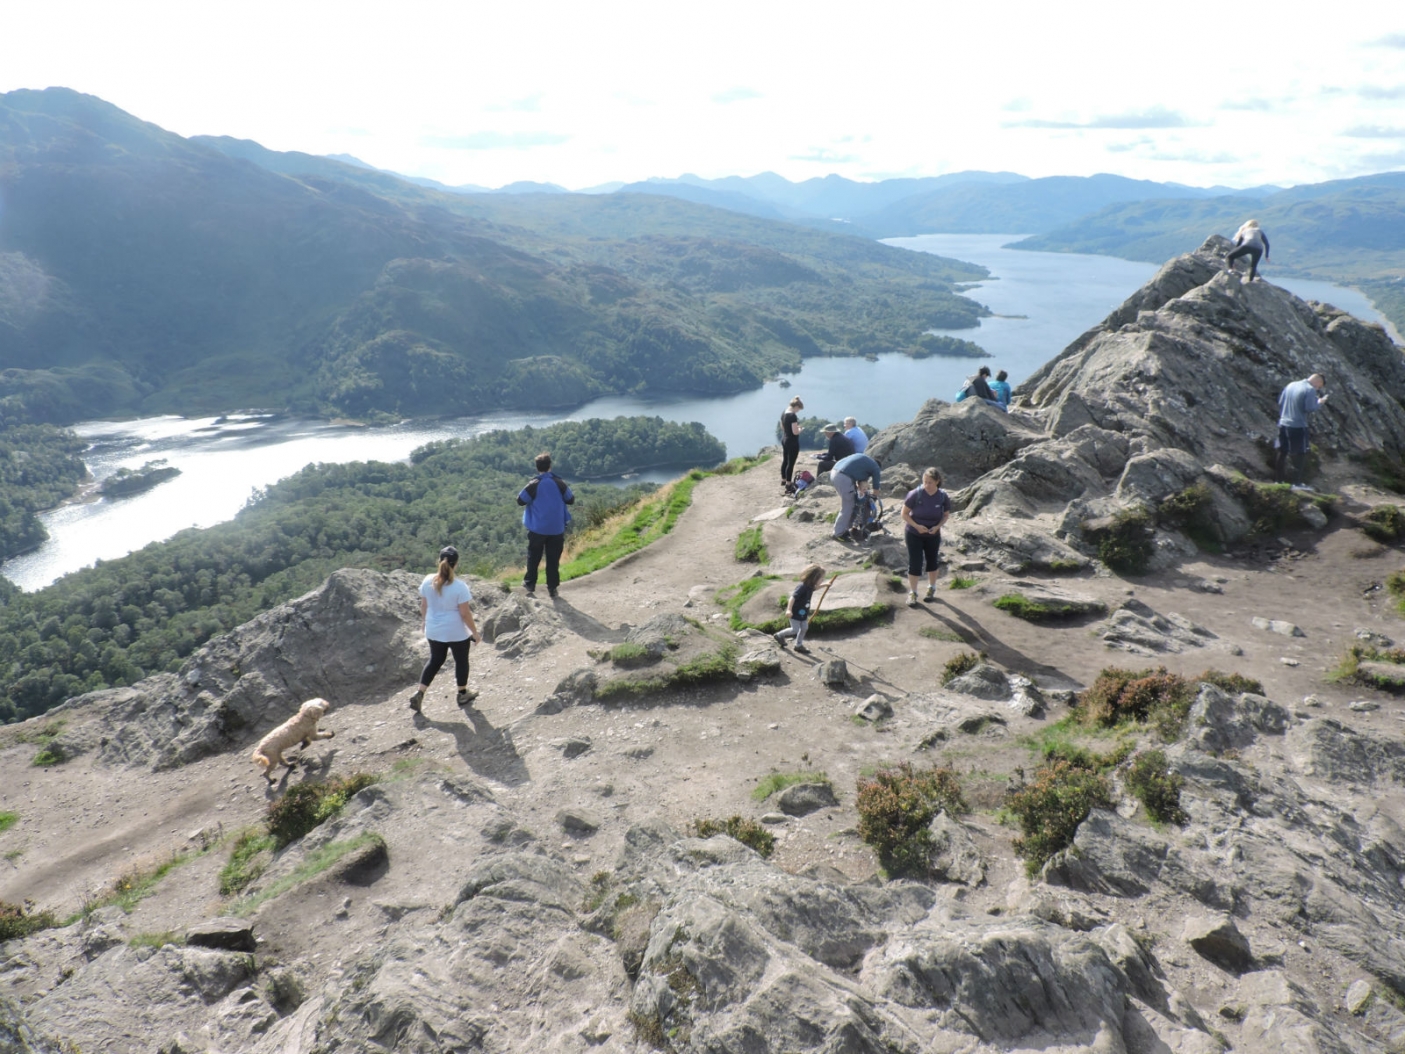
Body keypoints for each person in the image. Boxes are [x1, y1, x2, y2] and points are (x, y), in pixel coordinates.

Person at [409, 546, 482, 712]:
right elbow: (465, 614)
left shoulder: (427, 580)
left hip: (434, 629)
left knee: (435, 660)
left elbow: (424, 605)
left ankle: (420, 693)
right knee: (461, 660)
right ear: (456, 564)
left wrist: (424, 622)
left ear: (439, 561)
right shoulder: (459, 586)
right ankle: (462, 694)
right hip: (456, 631)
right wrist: (475, 633)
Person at [517, 451, 574, 598]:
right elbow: (570, 499)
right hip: (556, 528)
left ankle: (530, 583)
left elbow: (520, 500)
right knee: (553, 559)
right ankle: (552, 588)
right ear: (550, 466)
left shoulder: (534, 484)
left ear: (537, 467)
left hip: (537, 528)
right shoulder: (559, 483)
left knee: (534, 556)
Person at [901, 467, 952, 605]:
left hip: (933, 534)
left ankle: (931, 588)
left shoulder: (942, 496)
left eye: (930, 482)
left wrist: (937, 527)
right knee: (915, 563)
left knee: (932, 561)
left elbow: (946, 515)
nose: (926, 485)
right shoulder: (915, 494)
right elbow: (904, 514)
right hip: (914, 533)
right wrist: (917, 526)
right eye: (925, 482)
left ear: (937, 481)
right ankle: (913, 593)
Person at [1275, 373, 1328, 490]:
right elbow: (1309, 408)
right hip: (1298, 425)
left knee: (1282, 451)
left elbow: (1280, 402)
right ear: (1318, 382)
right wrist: (1319, 403)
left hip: (1283, 423)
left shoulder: (1291, 384)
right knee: (1300, 453)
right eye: (1319, 387)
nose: (1318, 389)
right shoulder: (1310, 389)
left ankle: (1278, 480)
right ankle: (1296, 483)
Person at [774, 563, 825, 655]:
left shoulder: (810, 587)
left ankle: (798, 645)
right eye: (821, 579)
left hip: (803, 614)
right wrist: (789, 610)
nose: (822, 580)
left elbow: (815, 588)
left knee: (804, 628)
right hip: (795, 613)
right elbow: (792, 598)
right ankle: (779, 635)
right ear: (814, 578)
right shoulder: (802, 587)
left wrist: (825, 585)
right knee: (795, 629)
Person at [831, 451, 882, 540]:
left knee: (851, 502)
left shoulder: (863, 461)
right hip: (843, 477)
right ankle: (838, 533)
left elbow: (861, 483)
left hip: (834, 472)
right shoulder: (875, 467)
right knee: (848, 506)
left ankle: (847, 528)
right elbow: (876, 488)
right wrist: (873, 499)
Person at [779, 396, 804, 487]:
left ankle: (783, 479)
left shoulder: (784, 412)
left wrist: (792, 429)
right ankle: (788, 483)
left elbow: (782, 427)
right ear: (796, 406)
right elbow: (795, 432)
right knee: (791, 463)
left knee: (785, 460)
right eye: (798, 409)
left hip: (784, 439)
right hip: (792, 442)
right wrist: (800, 429)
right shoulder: (792, 416)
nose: (798, 411)